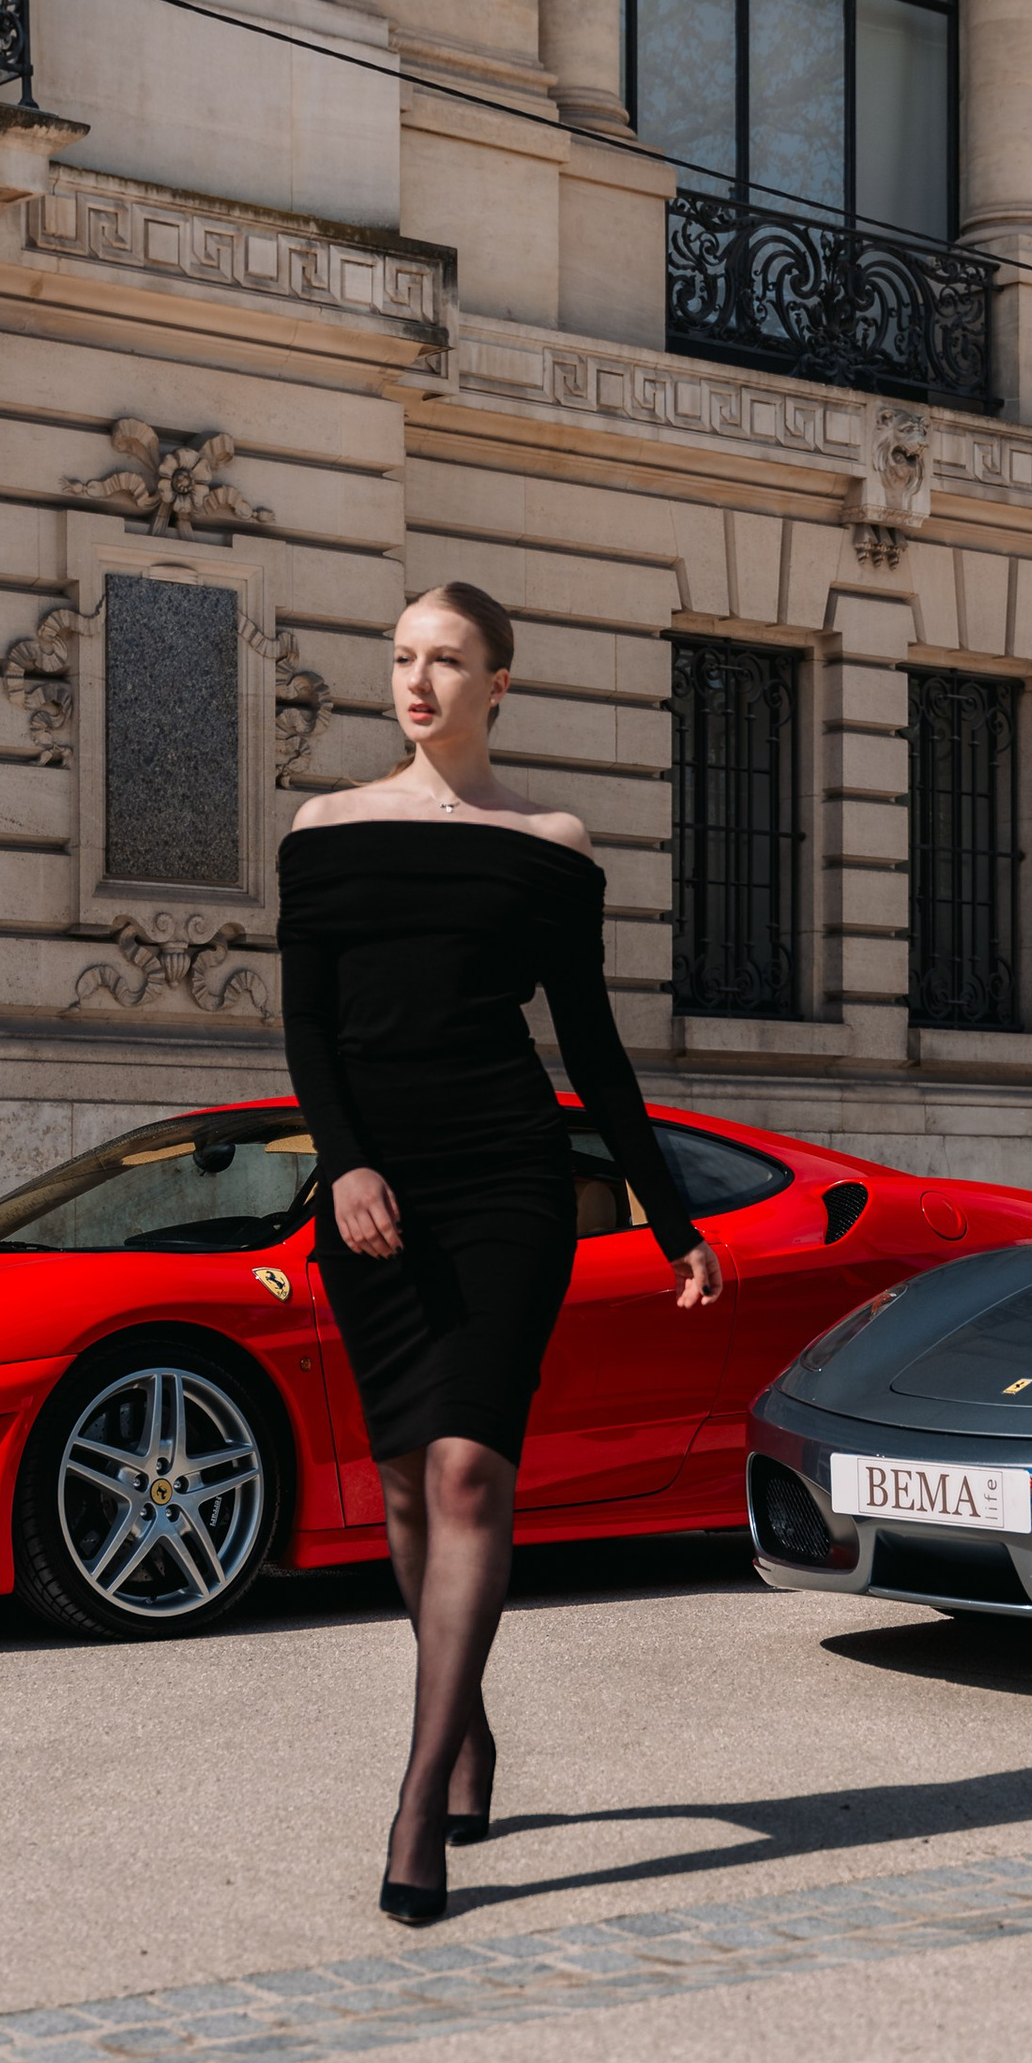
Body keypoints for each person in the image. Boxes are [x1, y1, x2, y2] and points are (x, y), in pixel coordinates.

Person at [277, 580, 723, 1924]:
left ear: (498, 682)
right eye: (402, 656)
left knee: (468, 1469)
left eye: (446, 659)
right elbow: (309, 1031)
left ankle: (416, 1805)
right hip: (376, 1189)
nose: (417, 681)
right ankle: (462, 1719)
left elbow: (592, 1047)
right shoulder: (325, 831)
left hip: (506, 1185)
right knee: (405, 1490)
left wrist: (670, 1214)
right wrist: (347, 1162)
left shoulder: (550, 846)